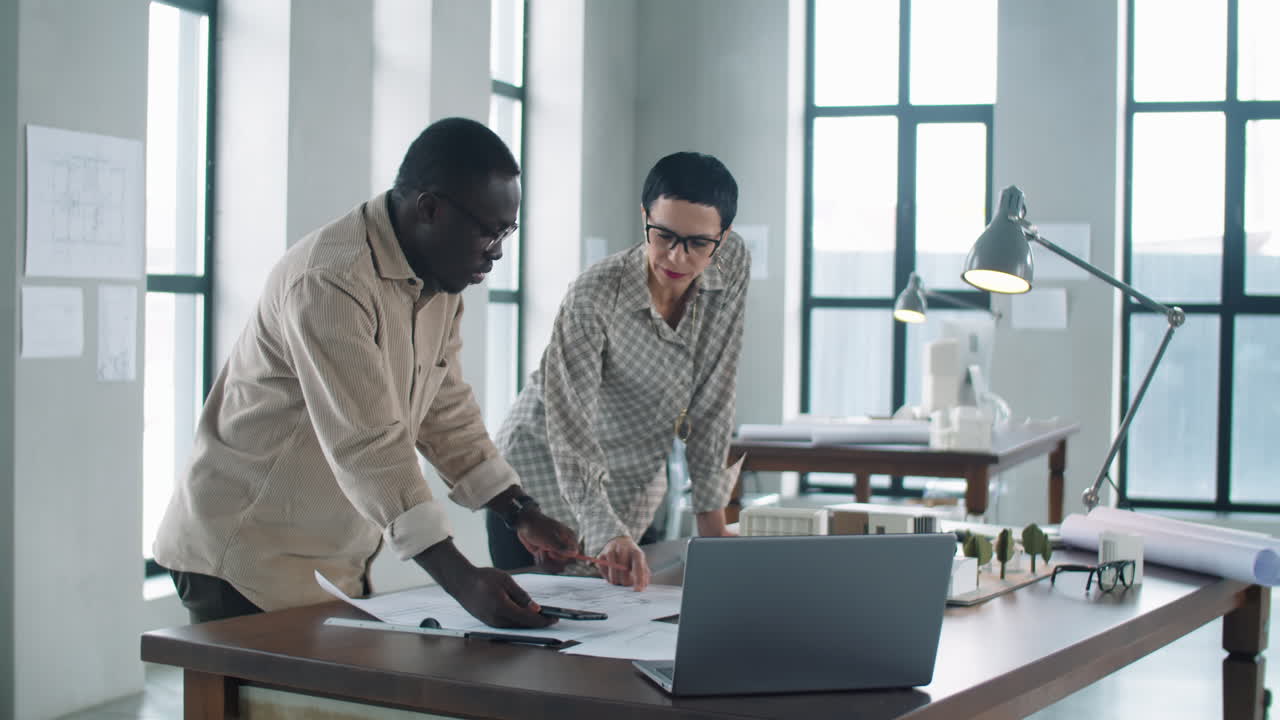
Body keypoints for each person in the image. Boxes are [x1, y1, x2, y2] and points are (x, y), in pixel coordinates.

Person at [154, 117, 577, 627]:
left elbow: (445, 411)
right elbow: (368, 445)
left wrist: (519, 511)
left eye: (507, 231)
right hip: (243, 559)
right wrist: (462, 580)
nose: (498, 251)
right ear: (430, 209)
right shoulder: (330, 281)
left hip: (330, 563)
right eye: (488, 232)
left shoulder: (438, 281)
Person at [489, 152, 748, 590]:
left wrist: (713, 527)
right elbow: (569, 430)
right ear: (645, 216)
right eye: (663, 235)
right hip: (542, 477)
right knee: (548, 624)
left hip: (632, 485)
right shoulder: (595, 295)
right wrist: (605, 530)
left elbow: (713, 397)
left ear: (722, 238)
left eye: (698, 243)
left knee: (625, 617)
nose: (677, 256)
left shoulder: (731, 264)